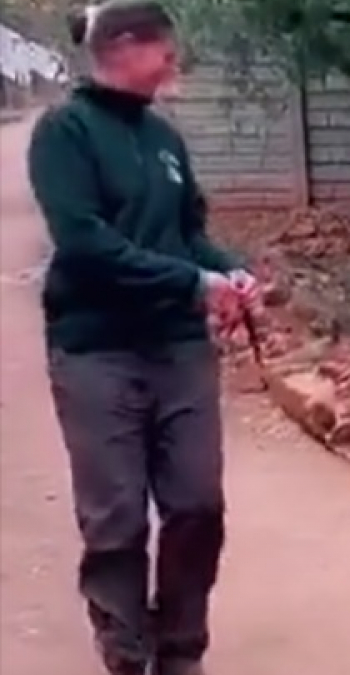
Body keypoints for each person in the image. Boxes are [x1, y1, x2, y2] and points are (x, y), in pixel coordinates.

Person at [26, 2, 257, 674]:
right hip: (96, 349)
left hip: (178, 348)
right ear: (125, 48)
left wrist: (228, 270)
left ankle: (180, 649)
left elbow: (189, 234)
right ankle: (126, 652)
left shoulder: (164, 139)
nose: (174, 64)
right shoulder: (63, 133)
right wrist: (191, 282)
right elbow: (86, 243)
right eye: (166, 51)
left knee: (197, 503)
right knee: (116, 517)